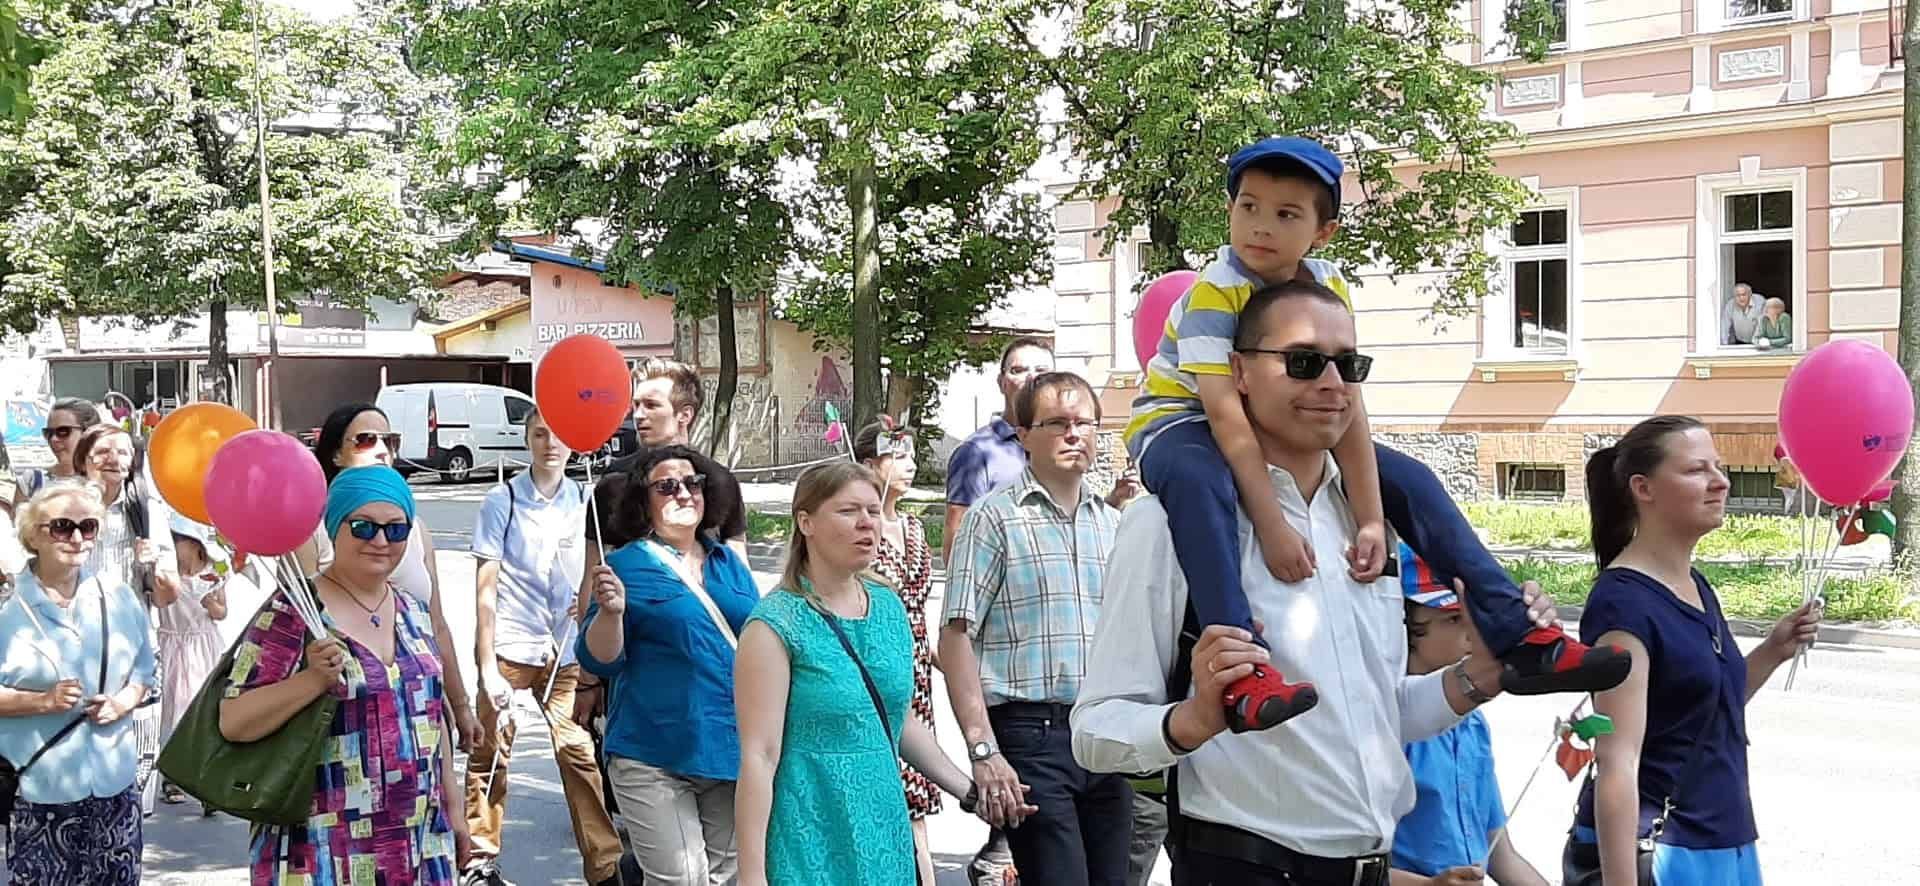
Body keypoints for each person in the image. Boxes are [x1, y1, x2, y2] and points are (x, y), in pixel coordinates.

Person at [1124, 137, 1626, 738]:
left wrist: (1368, 517)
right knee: (1198, 479)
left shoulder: (1327, 285)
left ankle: (1518, 635)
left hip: (1262, 418)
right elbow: (1227, 419)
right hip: (1181, 420)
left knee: (1411, 478)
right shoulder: (1215, 291)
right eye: (1248, 207)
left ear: (1323, 232)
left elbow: (1349, 404)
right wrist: (1272, 525)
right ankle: (1242, 672)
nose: (1260, 226)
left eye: (1286, 214)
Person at [1073, 279, 1561, 886]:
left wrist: (1480, 676)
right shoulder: (1168, 521)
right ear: (1238, 372)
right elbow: (1095, 733)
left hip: (1379, 868)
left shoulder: (1372, 522)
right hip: (1244, 870)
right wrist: (1194, 719)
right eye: (1302, 362)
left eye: (1348, 365)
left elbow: (1373, 713)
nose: (1332, 383)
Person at [1566, 416, 1822, 886]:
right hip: (1668, 849)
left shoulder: (1694, 584)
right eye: (1696, 470)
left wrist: (1773, 649)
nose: (1720, 481)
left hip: (1724, 835)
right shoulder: (1623, 605)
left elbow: (1704, 708)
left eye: (1718, 467)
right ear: (1643, 488)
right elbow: (1617, 762)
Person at [734, 462, 1016, 886]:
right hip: (809, 827)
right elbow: (759, 756)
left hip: (883, 823)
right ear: (806, 523)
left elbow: (897, 720)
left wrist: (970, 792)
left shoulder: (888, 605)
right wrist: (752, 874)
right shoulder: (775, 624)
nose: (867, 523)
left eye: (872, 510)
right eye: (848, 511)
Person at [219, 466, 467, 884]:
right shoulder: (293, 612)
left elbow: (430, 716)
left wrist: (454, 806)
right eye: (363, 526)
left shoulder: (414, 612)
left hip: (417, 840)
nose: (380, 541)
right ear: (335, 528)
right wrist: (312, 681)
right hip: (322, 848)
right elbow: (233, 720)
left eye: (396, 529)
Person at [942, 371, 1135, 886]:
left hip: (1104, 732)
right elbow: (955, 636)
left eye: (1084, 423)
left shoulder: (1114, 525)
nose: (1074, 434)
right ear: (1024, 435)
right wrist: (983, 750)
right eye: (1057, 423)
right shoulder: (993, 519)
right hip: (1032, 735)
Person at [578, 445, 759, 885]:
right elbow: (598, 658)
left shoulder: (729, 564)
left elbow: (759, 640)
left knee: (722, 878)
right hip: (651, 753)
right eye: (667, 486)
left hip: (728, 750)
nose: (683, 492)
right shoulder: (624, 565)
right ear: (644, 501)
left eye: (692, 483)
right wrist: (611, 614)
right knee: (680, 880)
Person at [462, 408, 620, 886]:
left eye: (558, 435)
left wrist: (585, 604)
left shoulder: (585, 499)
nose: (550, 444)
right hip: (513, 642)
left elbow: (596, 568)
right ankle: (478, 859)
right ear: (527, 439)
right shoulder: (502, 500)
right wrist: (487, 667)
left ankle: (605, 866)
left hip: (565, 648)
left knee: (577, 752)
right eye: (539, 434)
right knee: (492, 752)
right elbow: (485, 586)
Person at [0, 483, 156, 884]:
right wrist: (42, 701)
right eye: (61, 527)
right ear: (33, 535)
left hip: (115, 786)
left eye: (87, 527)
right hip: (40, 789)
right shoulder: (7, 609)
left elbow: (145, 670)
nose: (76, 538)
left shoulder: (118, 597)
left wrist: (123, 702)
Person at [301, 403, 479, 752]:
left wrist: (460, 705)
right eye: (366, 440)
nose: (382, 450)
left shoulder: (415, 529)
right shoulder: (312, 530)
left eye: (390, 440)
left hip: (420, 707)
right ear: (336, 453)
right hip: (346, 726)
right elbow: (301, 629)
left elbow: (437, 624)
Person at [1389, 543, 1548, 886]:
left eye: (1477, 617)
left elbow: (1502, 856)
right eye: (1453, 618)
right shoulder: (1387, 724)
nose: (1474, 633)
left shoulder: (1473, 723)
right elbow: (1346, 867)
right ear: (1403, 623)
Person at [855, 418, 943, 885]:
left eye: (911, 455)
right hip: (876, 669)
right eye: (898, 455)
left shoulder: (913, 527)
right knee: (883, 796)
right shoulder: (859, 529)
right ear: (870, 463)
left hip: (919, 676)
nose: (908, 465)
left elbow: (923, 611)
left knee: (916, 802)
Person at [73, 422, 177, 816]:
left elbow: (167, 595)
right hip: (73, 651)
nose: (113, 460)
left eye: (122, 452)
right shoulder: (62, 508)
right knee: (75, 767)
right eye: (102, 451)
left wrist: (155, 567)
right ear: (83, 460)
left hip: (134, 653)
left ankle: (128, 837)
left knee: (134, 769)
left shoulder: (146, 513)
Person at [155, 513, 236, 811]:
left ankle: (206, 781)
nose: (172, 546)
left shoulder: (215, 571)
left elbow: (222, 612)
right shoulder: (164, 573)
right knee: (174, 711)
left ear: (193, 543)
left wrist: (212, 605)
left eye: (177, 540)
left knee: (205, 710)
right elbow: (157, 602)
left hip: (202, 646)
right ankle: (173, 777)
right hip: (172, 644)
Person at [7, 397, 101, 514]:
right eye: (49, 433)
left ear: (88, 433)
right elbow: (17, 524)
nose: (53, 439)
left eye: (63, 431)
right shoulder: (31, 481)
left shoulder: (104, 482)